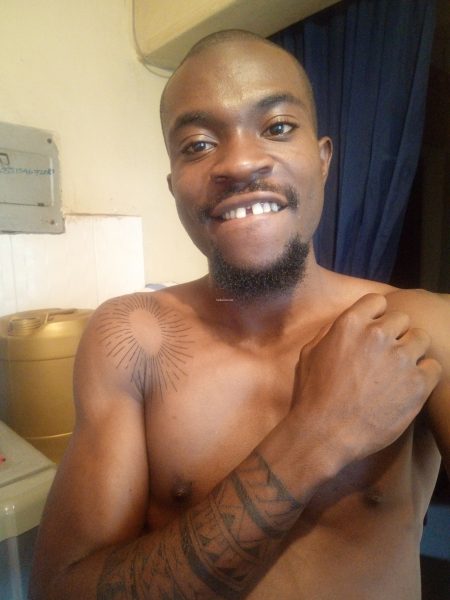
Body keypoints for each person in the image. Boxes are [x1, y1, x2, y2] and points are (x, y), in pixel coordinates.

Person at [30, 30, 449, 599]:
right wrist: (315, 434)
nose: (241, 162)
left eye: (277, 127)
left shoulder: (418, 330)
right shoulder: (132, 340)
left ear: (323, 159)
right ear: (174, 186)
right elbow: (62, 589)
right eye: (198, 144)